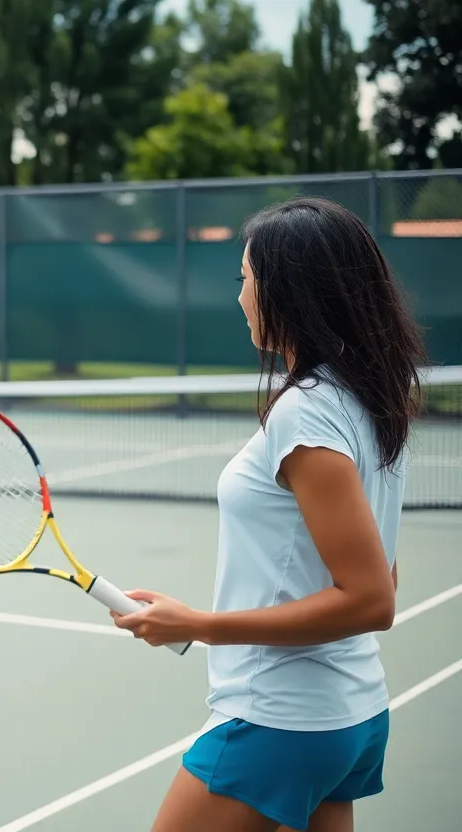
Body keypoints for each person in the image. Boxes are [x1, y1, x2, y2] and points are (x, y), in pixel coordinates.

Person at [111, 196, 427, 832]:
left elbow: (371, 601)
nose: (240, 299)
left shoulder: (306, 412)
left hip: (280, 721)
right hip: (353, 716)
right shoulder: (368, 399)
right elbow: (381, 575)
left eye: (246, 280)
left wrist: (198, 622)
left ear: (288, 291)